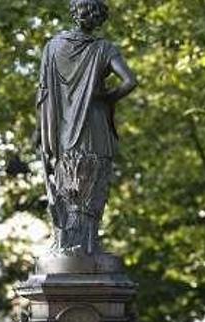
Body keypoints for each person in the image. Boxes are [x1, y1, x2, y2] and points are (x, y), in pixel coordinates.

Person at [37, 0, 138, 255]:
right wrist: (106, 98)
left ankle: (68, 245)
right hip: (94, 127)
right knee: (94, 184)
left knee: (67, 186)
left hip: (62, 134)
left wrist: (42, 135)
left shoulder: (52, 48)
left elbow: (44, 96)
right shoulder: (104, 48)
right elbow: (129, 82)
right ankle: (87, 247)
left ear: (74, 14)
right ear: (99, 19)